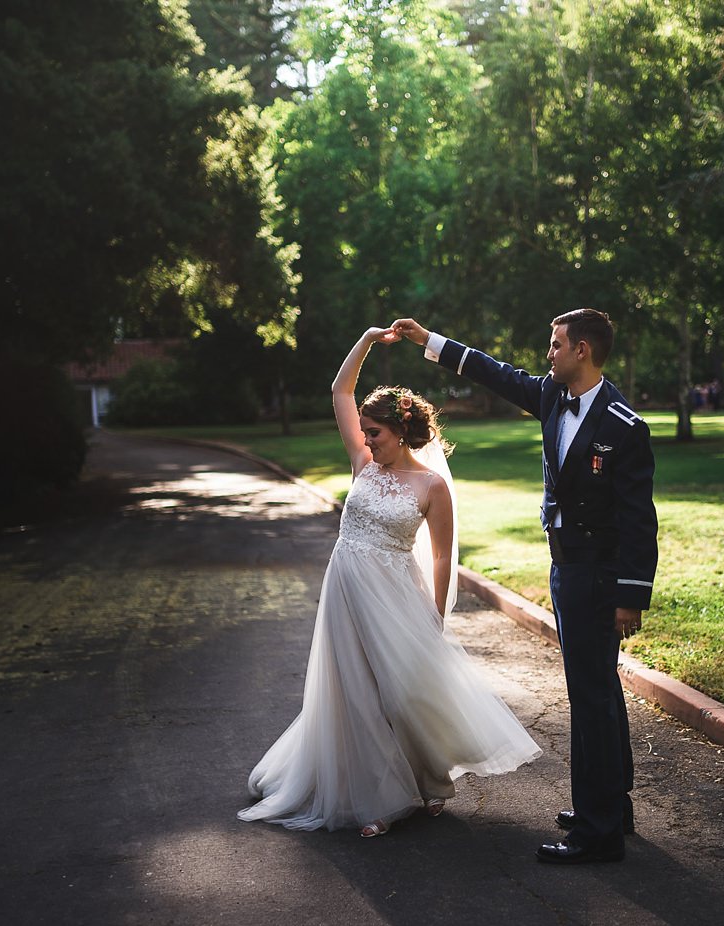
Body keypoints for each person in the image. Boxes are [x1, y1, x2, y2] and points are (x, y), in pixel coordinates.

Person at [237, 326, 541, 838]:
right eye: (364, 431)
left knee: (403, 696)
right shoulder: (362, 465)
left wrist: (437, 612)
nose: (366, 439)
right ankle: (378, 798)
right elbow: (340, 390)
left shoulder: (432, 486)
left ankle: (433, 780)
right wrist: (365, 341)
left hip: (397, 596)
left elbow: (443, 554)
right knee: (355, 695)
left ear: (400, 432)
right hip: (345, 589)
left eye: (374, 432)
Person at [390, 309, 658, 865]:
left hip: (599, 576)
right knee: (600, 690)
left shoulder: (623, 426)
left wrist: (631, 595)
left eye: (556, 344)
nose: (548, 354)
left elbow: (638, 519)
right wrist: (431, 341)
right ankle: (614, 806)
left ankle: (596, 832)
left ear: (582, 350)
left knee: (589, 700)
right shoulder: (552, 398)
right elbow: (493, 372)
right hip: (566, 569)